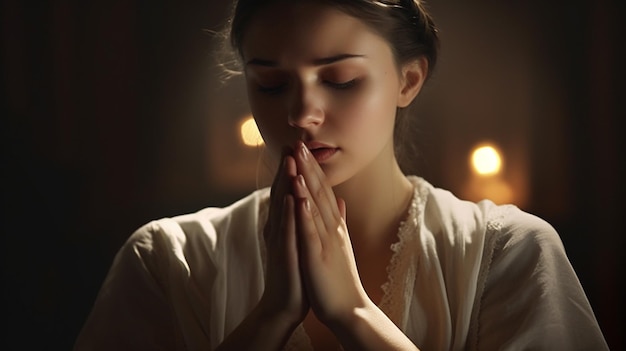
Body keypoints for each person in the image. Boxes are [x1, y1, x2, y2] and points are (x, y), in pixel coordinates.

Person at [74, 0, 608, 350]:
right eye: (272, 84)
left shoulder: (510, 254)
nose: (301, 113)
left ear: (408, 80)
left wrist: (354, 314)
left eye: (342, 80)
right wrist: (270, 318)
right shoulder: (169, 261)